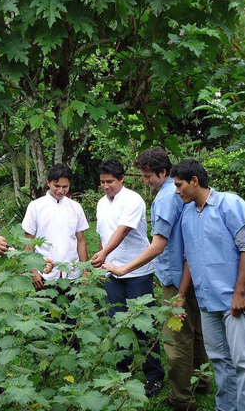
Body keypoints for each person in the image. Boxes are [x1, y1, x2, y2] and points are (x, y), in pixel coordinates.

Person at [103, 148, 210, 410]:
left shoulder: (165, 198)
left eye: (148, 175)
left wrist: (124, 268)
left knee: (176, 339)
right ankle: (202, 381)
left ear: (163, 172)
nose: (145, 180)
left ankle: (181, 398)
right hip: (193, 270)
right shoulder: (179, 193)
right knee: (197, 331)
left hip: (175, 278)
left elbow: (158, 245)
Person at [171, 159, 245, 411]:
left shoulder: (230, 204)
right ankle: (226, 407)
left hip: (235, 300)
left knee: (243, 361)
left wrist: (239, 294)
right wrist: (181, 296)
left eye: (179, 185)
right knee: (218, 360)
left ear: (194, 181)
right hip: (208, 299)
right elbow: (189, 259)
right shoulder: (188, 213)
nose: (176, 191)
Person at [90, 157, 165, 397]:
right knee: (117, 323)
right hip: (112, 272)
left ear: (122, 178)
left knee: (144, 325)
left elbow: (122, 231)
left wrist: (103, 253)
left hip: (137, 271)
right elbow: (103, 233)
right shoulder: (102, 203)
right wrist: (103, 262)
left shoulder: (133, 200)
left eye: (110, 181)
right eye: (102, 182)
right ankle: (122, 373)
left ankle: (154, 376)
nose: (105, 186)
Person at [22, 163, 90, 289]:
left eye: (65, 186)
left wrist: (85, 270)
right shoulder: (36, 206)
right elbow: (28, 239)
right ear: (48, 183)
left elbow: (80, 240)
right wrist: (33, 270)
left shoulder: (75, 207)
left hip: (71, 274)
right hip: (44, 275)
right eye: (56, 186)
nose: (60, 190)